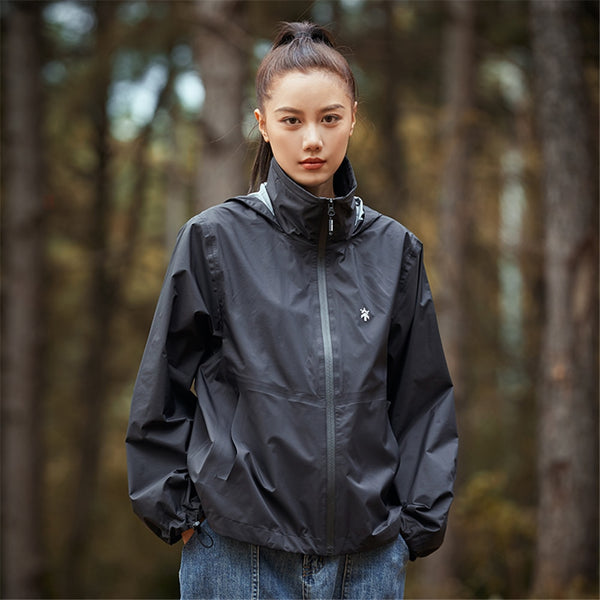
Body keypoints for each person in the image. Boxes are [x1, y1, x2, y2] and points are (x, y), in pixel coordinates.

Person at [126, 21, 458, 600]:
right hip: (237, 557)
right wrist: (173, 507)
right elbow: (162, 384)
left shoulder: (395, 251)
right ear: (262, 125)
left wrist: (416, 523)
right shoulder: (213, 241)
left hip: (368, 562)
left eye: (329, 119)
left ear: (353, 117)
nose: (312, 140)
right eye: (291, 120)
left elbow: (421, 394)